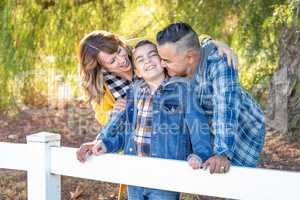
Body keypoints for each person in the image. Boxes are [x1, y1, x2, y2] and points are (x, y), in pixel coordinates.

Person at [77, 30, 237, 199]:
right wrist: (103, 142)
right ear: (102, 68)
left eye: (118, 51)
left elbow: (182, 43)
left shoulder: (180, 87)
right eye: (112, 61)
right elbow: (124, 129)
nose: (122, 59)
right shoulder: (117, 89)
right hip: (136, 173)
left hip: (166, 171)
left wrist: (213, 44)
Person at [156, 22, 266, 174]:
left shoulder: (219, 62)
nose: (161, 64)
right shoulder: (177, 68)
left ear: (190, 57)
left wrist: (222, 153)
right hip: (208, 128)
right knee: (205, 175)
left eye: (166, 60)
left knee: (231, 179)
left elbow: (225, 108)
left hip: (242, 129)